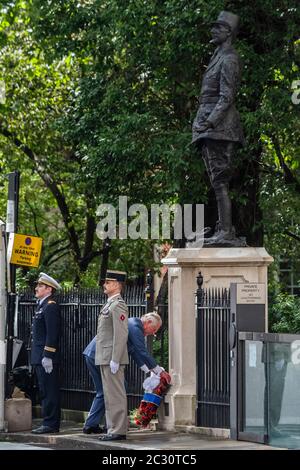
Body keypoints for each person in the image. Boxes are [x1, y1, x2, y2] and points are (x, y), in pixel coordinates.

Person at [191, 11, 245, 247]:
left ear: (228, 32)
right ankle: (224, 229)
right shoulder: (218, 56)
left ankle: (226, 231)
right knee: (217, 181)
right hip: (210, 127)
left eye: (218, 28)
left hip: (220, 128)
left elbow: (226, 97)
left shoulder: (230, 58)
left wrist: (210, 121)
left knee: (220, 181)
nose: (213, 31)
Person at [82, 311, 166, 435]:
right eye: (153, 329)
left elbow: (133, 351)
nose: (153, 333)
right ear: (147, 322)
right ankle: (113, 426)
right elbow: (141, 351)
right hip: (102, 357)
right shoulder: (135, 326)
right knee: (118, 388)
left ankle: (91, 424)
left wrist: (149, 371)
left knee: (103, 391)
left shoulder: (132, 324)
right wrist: (158, 370)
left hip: (93, 354)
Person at [95, 270, 129, 441]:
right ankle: (113, 428)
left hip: (111, 357)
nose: (105, 285)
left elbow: (121, 334)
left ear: (116, 285)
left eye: (108, 282)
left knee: (115, 394)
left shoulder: (118, 305)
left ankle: (118, 429)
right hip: (105, 356)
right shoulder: (109, 304)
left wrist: (116, 358)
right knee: (109, 394)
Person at [31, 272, 61, 434]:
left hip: (46, 357)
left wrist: (48, 355)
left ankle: (51, 424)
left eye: (40, 286)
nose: (36, 288)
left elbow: (52, 333)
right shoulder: (42, 305)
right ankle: (47, 421)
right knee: (44, 390)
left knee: (49, 391)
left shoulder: (50, 306)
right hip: (40, 357)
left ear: (49, 289)